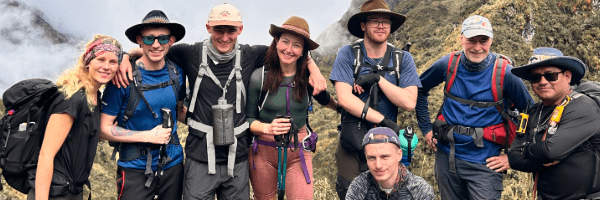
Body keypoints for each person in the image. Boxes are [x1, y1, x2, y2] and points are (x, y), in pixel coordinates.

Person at [115, 3, 327, 199]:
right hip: (199, 158)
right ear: (208, 27)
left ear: (240, 30)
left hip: (238, 159)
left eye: (231, 30)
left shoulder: (252, 54)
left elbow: (288, 51)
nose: (225, 37)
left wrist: (313, 67)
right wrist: (126, 56)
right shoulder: (190, 53)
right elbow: (155, 49)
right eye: (219, 30)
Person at [415, 15, 534, 199]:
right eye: (471, 40)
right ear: (461, 38)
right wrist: (425, 128)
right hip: (446, 158)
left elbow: (531, 113)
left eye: (483, 41)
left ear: (491, 40)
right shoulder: (449, 64)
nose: (477, 47)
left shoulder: (505, 73)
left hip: (485, 164)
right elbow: (419, 89)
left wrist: (514, 157)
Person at [328, 0, 422, 198]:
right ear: (363, 25)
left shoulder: (402, 59)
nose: (381, 25)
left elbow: (409, 102)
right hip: (352, 142)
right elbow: (344, 98)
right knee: (350, 192)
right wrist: (382, 120)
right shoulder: (348, 54)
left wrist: (379, 79)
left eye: (385, 21)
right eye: (374, 21)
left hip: (386, 143)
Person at [245, 16, 338, 200]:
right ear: (276, 42)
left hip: (299, 152)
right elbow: (248, 119)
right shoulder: (259, 78)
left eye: (296, 45)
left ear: (304, 51)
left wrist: (342, 108)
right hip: (262, 152)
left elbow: (326, 99)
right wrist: (267, 128)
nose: (289, 50)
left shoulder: (308, 79)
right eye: (285, 42)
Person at [99, 10, 185, 200]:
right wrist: (148, 136)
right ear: (139, 40)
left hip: (173, 165)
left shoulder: (177, 73)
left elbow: (179, 111)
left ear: (171, 41)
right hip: (134, 169)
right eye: (149, 39)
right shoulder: (123, 79)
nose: (156, 44)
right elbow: (103, 129)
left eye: (162, 39)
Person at [28, 35, 122, 199]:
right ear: (87, 61)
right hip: (54, 194)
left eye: (113, 62)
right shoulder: (73, 98)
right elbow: (46, 155)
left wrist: (129, 56)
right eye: (100, 59)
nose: (106, 66)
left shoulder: (94, 98)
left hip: (72, 192)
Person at [509, 47, 600, 200]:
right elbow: (513, 157)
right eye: (535, 77)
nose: (543, 82)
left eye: (550, 75)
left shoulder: (583, 106)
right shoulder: (534, 111)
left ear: (567, 76)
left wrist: (526, 151)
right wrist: (542, 158)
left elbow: (551, 152)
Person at [346, 127, 434, 200]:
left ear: (399, 155)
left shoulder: (419, 190)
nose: (378, 165)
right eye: (371, 158)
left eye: (385, 157)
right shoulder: (359, 186)